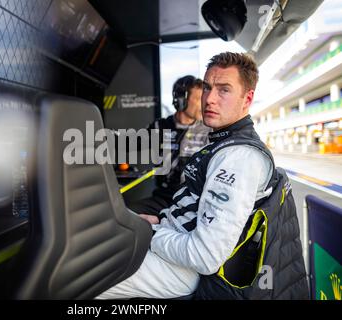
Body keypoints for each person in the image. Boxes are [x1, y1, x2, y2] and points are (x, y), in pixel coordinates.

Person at [97, 52, 308, 299]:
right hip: (170, 234)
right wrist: (159, 223)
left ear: (247, 99)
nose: (210, 99)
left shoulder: (237, 157)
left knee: (76, 279)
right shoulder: (220, 143)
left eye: (224, 90)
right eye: (208, 88)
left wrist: (152, 232)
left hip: (179, 266)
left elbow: (204, 256)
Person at [127, 75, 210, 216]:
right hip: (163, 198)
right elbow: (129, 144)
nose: (204, 104)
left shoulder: (209, 131)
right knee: (126, 216)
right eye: (198, 99)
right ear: (181, 100)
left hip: (194, 201)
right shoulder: (160, 127)